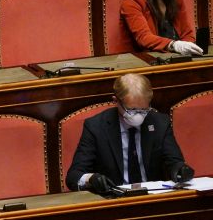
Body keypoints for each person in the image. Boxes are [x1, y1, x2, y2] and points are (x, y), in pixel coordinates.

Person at [65, 73, 193, 192]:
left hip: (153, 197)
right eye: (132, 110)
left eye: (143, 109)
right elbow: (74, 176)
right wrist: (91, 179)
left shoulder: (160, 123)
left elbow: (174, 162)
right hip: (114, 199)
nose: (138, 116)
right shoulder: (96, 127)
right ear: (116, 101)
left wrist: (181, 169)